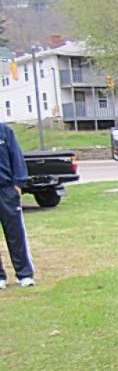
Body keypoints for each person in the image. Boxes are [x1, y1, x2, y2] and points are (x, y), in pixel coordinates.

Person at [0, 122, 35, 289]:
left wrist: (18, 183)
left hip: (6, 189)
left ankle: (25, 274)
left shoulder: (5, 131)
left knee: (15, 232)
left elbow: (16, 156)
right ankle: (0, 278)